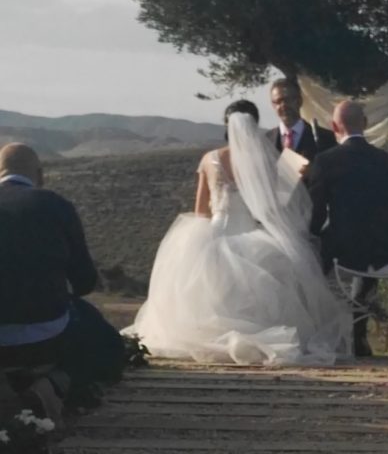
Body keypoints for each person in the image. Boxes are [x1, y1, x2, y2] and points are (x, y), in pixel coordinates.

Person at [124, 101, 351, 365]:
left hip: (216, 232)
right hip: (253, 234)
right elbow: (278, 204)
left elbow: (201, 210)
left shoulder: (209, 159)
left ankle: (206, 334)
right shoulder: (267, 161)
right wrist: (294, 173)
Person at [0, 142, 124, 411]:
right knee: (103, 340)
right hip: (44, 338)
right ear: (40, 174)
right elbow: (84, 282)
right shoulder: (56, 205)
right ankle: (57, 382)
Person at [307, 100, 388, 357]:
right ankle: (358, 329)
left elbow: (317, 214)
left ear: (334, 127)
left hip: (345, 254)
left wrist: (309, 234)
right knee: (364, 261)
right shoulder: (387, 160)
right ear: (364, 124)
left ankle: (326, 332)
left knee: (309, 257)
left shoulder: (325, 161)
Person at [267, 78, 336, 161]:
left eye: (287, 100)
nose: (283, 105)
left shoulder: (326, 138)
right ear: (273, 105)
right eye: (278, 101)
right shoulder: (265, 140)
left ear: (299, 101)